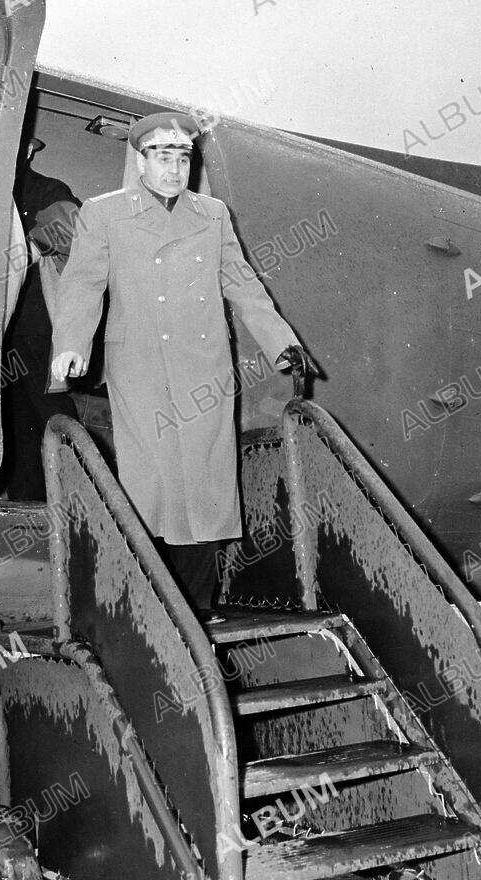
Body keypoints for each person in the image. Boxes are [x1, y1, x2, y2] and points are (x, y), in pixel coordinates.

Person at [50, 112, 313, 614]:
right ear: (141, 160)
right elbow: (83, 283)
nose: (174, 168)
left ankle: (197, 608)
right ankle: (150, 606)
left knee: (208, 486)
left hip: (205, 367)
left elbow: (240, 280)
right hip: (141, 367)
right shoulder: (104, 213)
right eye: (163, 157)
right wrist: (72, 343)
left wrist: (282, 341)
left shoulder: (212, 214)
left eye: (183, 158)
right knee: (153, 484)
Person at [2, 137, 82, 501]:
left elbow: (76, 227)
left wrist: (33, 246)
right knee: (17, 423)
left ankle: (82, 499)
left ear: (29, 151)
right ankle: (27, 504)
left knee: (50, 414)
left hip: (38, 326)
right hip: (1, 332)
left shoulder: (46, 189)